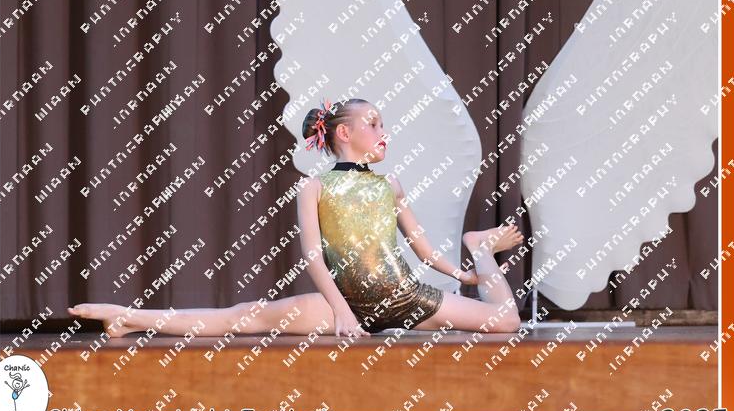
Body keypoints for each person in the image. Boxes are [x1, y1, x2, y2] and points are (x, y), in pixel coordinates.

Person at [68, 98, 524, 338]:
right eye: (374, 123)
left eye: (383, 125)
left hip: (406, 298)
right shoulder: (314, 186)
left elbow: (421, 248)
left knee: (505, 322)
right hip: (345, 303)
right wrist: (342, 312)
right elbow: (313, 258)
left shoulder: (391, 185)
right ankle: (128, 316)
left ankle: (478, 246)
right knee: (243, 317)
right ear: (344, 132)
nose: (383, 132)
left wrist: (464, 274)